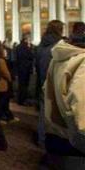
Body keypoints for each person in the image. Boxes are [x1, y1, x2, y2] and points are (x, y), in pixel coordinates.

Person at [43, 39, 85, 169]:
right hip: (76, 140)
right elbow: (80, 106)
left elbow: (46, 89)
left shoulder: (59, 58)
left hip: (56, 130)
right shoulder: (82, 61)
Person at [35, 20, 64, 148]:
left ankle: (42, 139)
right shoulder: (59, 45)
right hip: (56, 81)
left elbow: (36, 64)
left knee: (43, 110)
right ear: (60, 30)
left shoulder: (41, 45)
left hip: (42, 80)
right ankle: (58, 139)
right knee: (59, 112)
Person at [0, 41, 16, 123]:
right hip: (2, 83)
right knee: (2, 101)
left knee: (0, 101)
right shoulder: (1, 61)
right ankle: (1, 117)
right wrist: (10, 79)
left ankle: (6, 116)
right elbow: (6, 73)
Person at [16, 35, 34, 106]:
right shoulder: (26, 47)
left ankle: (20, 99)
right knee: (24, 85)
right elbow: (31, 56)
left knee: (21, 85)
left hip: (20, 68)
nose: (30, 40)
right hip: (25, 68)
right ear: (25, 40)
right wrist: (30, 49)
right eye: (29, 39)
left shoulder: (18, 47)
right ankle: (23, 100)